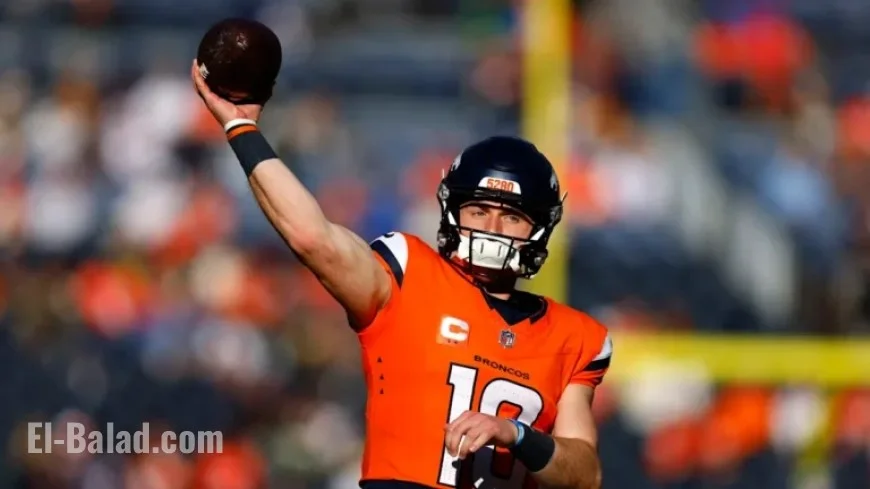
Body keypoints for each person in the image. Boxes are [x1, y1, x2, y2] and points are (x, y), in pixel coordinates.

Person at [191, 60, 611, 489]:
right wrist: (242, 130)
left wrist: (517, 435)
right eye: (479, 211)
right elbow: (313, 238)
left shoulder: (574, 337)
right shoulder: (409, 274)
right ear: (453, 213)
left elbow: (584, 475)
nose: (492, 229)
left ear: (538, 229)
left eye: (511, 217)